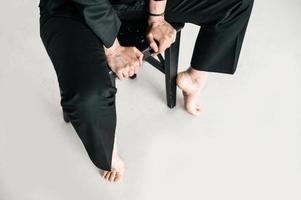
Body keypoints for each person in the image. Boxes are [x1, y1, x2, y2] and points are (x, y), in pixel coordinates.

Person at [39, 0, 254, 183]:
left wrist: (157, 17)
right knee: (88, 96)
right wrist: (113, 48)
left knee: (236, 3)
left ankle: (195, 78)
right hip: (70, 9)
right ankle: (108, 154)